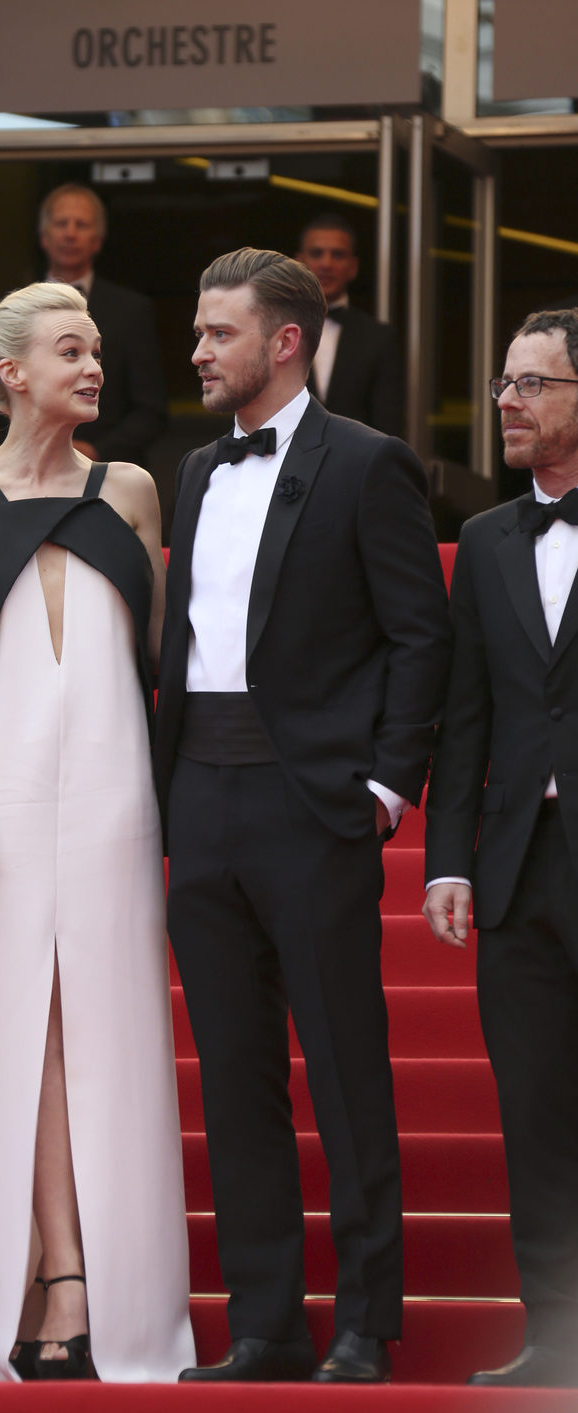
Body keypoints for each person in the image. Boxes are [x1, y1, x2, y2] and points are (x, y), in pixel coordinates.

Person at [154, 248, 451, 1384]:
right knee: (233, 1081)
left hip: (312, 805)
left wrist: (383, 788)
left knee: (345, 1073)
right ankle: (267, 1326)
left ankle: (368, 1324)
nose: (196, 351)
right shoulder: (192, 469)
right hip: (203, 799)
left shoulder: (371, 465)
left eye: (215, 332)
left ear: (285, 342)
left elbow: (420, 634)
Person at [0, 281, 194, 1383]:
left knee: (108, 1022)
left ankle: (107, 1295)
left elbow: (165, 649)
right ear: (12, 374)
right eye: (71, 350)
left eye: (96, 348)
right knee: (19, 1031)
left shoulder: (131, 487)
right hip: (4, 768)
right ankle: (48, 1274)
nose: (95, 366)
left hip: (116, 774)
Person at [423, 308, 578, 1390]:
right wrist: (448, 858)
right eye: (505, 384)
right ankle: (558, 1334)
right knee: (534, 1115)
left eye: (534, 384)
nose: (509, 402)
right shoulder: (482, 541)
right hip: (521, 869)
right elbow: (462, 712)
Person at [0, 186, 167, 467]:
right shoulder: (10, 310)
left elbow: (151, 410)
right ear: (44, 237)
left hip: (107, 469)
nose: (70, 233)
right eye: (61, 223)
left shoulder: (132, 310)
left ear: (98, 239)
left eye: (81, 224)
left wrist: (94, 451)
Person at [295, 213, 404, 437]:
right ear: (298, 263)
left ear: (353, 267)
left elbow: (388, 425)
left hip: (357, 466)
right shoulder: (273, 330)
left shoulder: (379, 337)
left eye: (338, 255)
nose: (326, 263)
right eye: (317, 253)